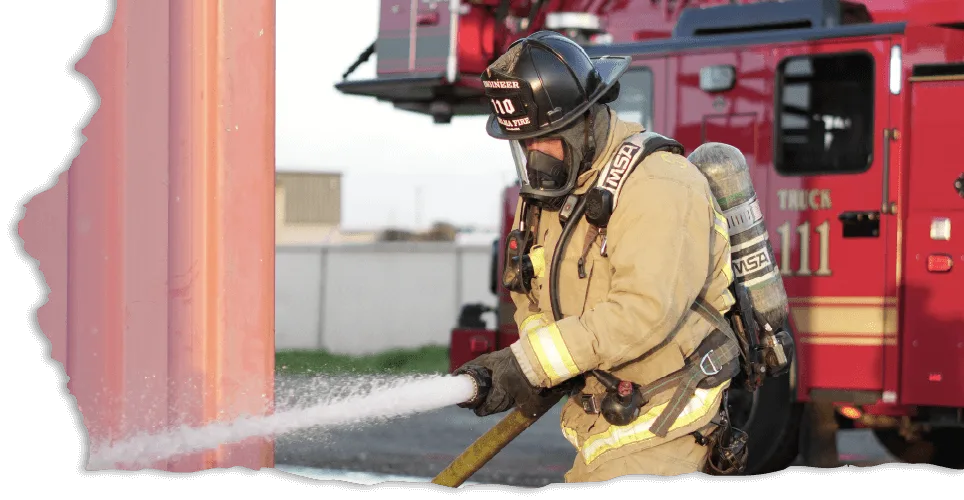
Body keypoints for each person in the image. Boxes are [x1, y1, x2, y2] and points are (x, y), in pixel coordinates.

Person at [453, 31, 743, 482]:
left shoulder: (659, 183)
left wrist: (531, 364)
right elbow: (528, 291)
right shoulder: (548, 194)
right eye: (523, 143)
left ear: (583, 121)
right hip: (605, 422)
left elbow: (643, 310)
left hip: (664, 419)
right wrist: (537, 364)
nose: (535, 157)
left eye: (544, 139)